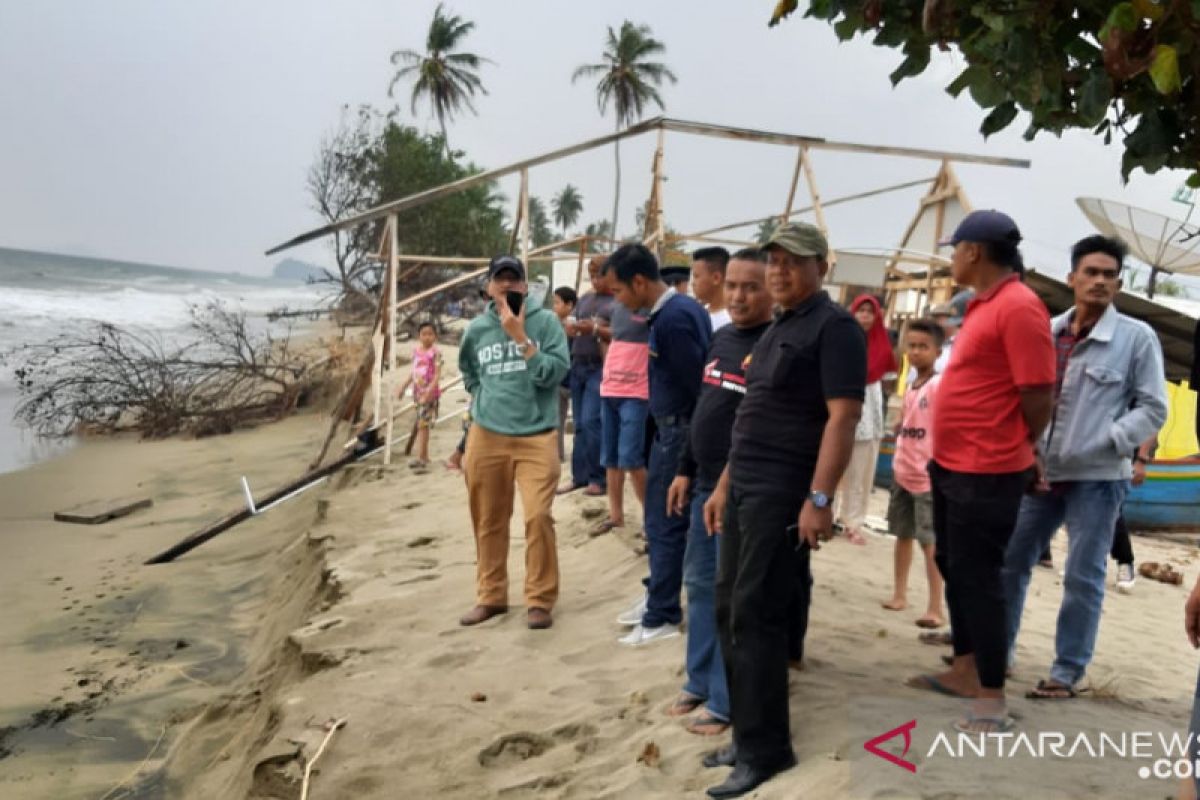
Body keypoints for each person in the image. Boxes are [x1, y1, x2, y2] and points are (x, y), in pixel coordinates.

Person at [702, 222, 865, 798]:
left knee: (757, 616)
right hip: (743, 487)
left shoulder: (836, 328)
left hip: (783, 493)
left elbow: (842, 418)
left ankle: (767, 751)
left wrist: (820, 499)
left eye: (792, 260)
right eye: (774, 260)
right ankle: (746, 735)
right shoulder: (777, 327)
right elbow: (752, 418)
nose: (779, 270)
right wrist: (723, 485)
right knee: (728, 609)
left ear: (822, 265)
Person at [902, 210, 1055, 734]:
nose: (951, 258)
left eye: (954, 249)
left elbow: (1038, 392)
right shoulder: (982, 305)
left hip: (988, 468)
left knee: (980, 577)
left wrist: (1024, 444)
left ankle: (991, 696)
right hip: (953, 461)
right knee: (953, 562)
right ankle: (965, 667)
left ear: (973, 252)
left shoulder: (1020, 307)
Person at [1002, 234, 1167, 700]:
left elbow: (1153, 408)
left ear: (1118, 283)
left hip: (1098, 479)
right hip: (1040, 471)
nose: (1098, 281)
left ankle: (1066, 672)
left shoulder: (1137, 338)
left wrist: (1110, 441)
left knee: (1082, 574)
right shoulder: (1047, 331)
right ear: (1072, 277)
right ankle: (998, 654)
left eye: (1108, 274)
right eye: (1089, 272)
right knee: (1011, 560)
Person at [663, 249, 773, 737]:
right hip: (703, 482)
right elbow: (703, 407)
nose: (738, 295)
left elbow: (760, 430)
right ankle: (700, 681)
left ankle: (727, 701)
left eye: (751, 286)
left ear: (771, 288)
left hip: (741, 490)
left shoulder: (774, 346)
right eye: (732, 285)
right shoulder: (722, 337)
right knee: (700, 585)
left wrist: (726, 485)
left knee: (733, 597)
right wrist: (685, 469)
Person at [457, 255, 571, 631]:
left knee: (538, 516)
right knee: (488, 519)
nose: (506, 286)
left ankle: (539, 599)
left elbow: (554, 373)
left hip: (537, 436)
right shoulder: (476, 330)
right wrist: (482, 398)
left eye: (513, 280)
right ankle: (491, 596)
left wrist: (520, 337)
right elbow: (469, 371)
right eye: (499, 280)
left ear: (525, 285)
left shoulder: (547, 322)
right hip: (487, 435)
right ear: (489, 286)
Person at [607, 244, 711, 647]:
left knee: (665, 522)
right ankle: (658, 593)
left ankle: (663, 612)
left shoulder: (674, 320)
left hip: (679, 432)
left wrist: (686, 445)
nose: (617, 299)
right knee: (659, 517)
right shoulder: (678, 311)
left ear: (638, 282)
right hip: (668, 429)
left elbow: (694, 385)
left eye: (618, 290)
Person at [883, 318, 945, 629]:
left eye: (924, 347)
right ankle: (899, 593)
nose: (917, 352)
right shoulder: (911, 385)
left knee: (929, 541)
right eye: (912, 346)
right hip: (903, 468)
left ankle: (935, 605)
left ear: (938, 350)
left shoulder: (939, 386)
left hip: (926, 475)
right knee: (902, 534)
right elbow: (909, 420)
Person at [593, 266, 651, 537]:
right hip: (610, 389)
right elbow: (611, 339)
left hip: (636, 394)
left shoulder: (651, 311)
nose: (615, 292)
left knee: (631, 459)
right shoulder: (616, 309)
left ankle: (651, 521)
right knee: (611, 459)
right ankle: (616, 515)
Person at [835, 294, 896, 545]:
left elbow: (890, 382)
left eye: (870, 312)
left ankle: (853, 522)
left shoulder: (882, 347)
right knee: (833, 466)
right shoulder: (840, 341)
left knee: (860, 470)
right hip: (839, 408)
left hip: (868, 412)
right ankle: (827, 515)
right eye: (861, 311)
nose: (865, 317)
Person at [558, 256, 613, 497]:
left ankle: (598, 478)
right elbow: (575, 326)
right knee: (580, 423)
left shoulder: (618, 302)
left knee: (592, 422)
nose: (595, 280)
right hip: (578, 364)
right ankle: (579, 476)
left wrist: (594, 329)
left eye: (600, 275)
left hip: (599, 367)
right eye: (592, 276)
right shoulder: (586, 299)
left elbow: (621, 333)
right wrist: (573, 328)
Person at [396, 321, 443, 470]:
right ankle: (424, 456)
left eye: (430, 334)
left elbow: (437, 375)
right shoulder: (416, 351)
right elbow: (413, 372)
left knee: (423, 424)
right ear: (419, 336)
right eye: (424, 334)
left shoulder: (436, 353)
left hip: (429, 395)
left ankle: (421, 457)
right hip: (417, 393)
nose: (427, 337)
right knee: (422, 424)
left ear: (435, 336)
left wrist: (429, 392)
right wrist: (403, 387)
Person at [552, 286, 578, 463]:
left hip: (575, 378)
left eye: (557, 302)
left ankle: (579, 455)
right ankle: (557, 454)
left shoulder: (576, 325)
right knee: (556, 420)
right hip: (559, 380)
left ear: (569, 305)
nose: (554, 306)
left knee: (580, 421)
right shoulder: (552, 324)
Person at [692, 247, 732, 331]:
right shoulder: (698, 314)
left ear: (716, 278)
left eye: (696, 276)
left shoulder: (732, 319)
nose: (693, 283)